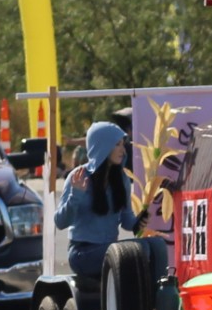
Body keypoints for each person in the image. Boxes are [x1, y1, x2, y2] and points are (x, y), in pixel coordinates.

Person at [55, 121, 168, 282]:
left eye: (123, 144)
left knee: (157, 245)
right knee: (140, 249)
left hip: (110, 249)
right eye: (117, 144)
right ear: (103, 147)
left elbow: (127, 221)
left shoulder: (121, 178)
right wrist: (76, 195)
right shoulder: (78, 176)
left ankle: (161, 293)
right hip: (82, 253)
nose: (123, 150)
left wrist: (138, 222)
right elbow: (60, 222)